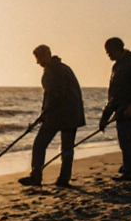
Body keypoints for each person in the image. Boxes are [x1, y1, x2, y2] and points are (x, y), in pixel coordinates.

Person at [18, 45, 85, 188]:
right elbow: (52, 95)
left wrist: (45, 113)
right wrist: (44, 113)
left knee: (40, 144)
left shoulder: (53, 71)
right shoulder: (62, 68)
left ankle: (36, 176)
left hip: (60, 115)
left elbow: (55, 95)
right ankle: (63, 179)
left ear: (47, 54)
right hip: (70, 114)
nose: (38, 62)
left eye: (39, 58)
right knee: (67, 148)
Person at [98, 37, 131, 181]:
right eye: (107, 52)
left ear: (118, 48)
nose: (108, 55)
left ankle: (130, 172)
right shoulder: (117, 66)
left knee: (126, 138)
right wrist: (104, 118)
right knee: (123, 138)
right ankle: (127, 166)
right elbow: (114, 95)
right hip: (120, 108)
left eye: (110, 52)